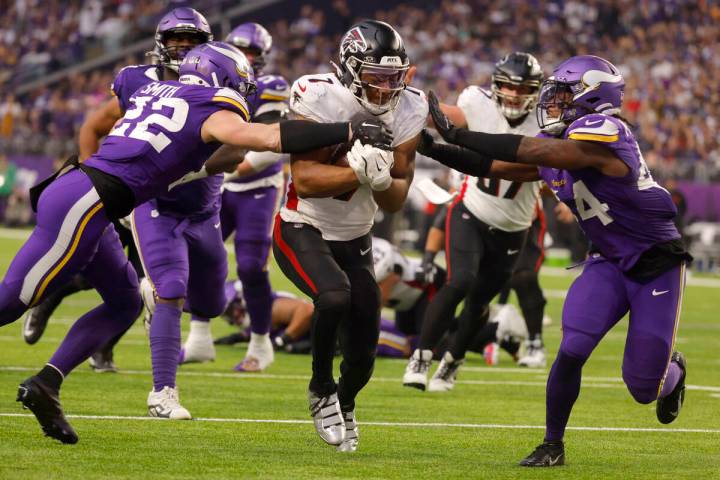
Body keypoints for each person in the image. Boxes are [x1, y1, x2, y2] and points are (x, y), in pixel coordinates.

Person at [3, 40, 391, 444]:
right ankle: (50, 311)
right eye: (239, 83)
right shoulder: (209, 106)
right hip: (87, 201)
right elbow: (264, 137)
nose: (243, 92)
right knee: (10, 302)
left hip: (88, 194)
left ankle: (46, 384)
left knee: (125, 304)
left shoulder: (151, 86)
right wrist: (345, 128)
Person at [420, 54, 691, 466]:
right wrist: (432, 146)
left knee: (642, 386)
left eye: (565, 93)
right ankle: (552, 444)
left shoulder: (605, 131)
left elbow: (530, 146)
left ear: (592, 96)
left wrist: (456, 132)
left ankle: (672, 372)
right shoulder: (559, 154)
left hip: (655, 262)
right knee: (573, 347)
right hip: (608, 262)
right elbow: (492, 165)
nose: (554, 101)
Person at [19, 7, 211, 374]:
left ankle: (102, 349)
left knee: (143, 285)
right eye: (177, 41)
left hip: (165, 201)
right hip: (125, 189)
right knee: (106, 271)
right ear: (161, 44)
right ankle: (49, 298)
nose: (184, 48)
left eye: (193, 42)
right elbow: (93, 127)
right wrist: (95, 180)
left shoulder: (215, 87)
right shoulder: (138, 80)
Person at [272, 20, 426, 452]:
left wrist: (380, 182)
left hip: (357, 236)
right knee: (334, 296)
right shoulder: (319, 95)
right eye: (376, 77)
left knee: (363, 351)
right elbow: (304, 179)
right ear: (350, 68)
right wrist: (356, 171)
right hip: (303, 225)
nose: (385, 88)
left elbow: (396, 199)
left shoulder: (411, 107)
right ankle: (320, 388)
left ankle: (345, 399)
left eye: (393, 77)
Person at [403, 52, 545, 393]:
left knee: (480, 300)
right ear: (496, 86)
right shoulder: (476, 101)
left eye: (522, 88)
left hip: (514, 227)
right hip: (471, 211)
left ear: (535, 92)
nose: (513, 95)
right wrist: (407, 96)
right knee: (459, 282)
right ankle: (421, 357)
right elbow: (445, 117)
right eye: (508, 87)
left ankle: (452, 362)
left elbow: (528, 169)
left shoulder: (546, 124)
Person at [209, 22, 290, 372]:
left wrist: (228, 169)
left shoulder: (271, 86)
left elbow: (274, 145)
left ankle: (260, 344)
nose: (246, 58)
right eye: (242, 50)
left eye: (253, 53)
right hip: (222, 184)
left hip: (258, 188)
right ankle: (198, 336)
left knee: (251, 268)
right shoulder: (216, 82)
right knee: (201, 256)